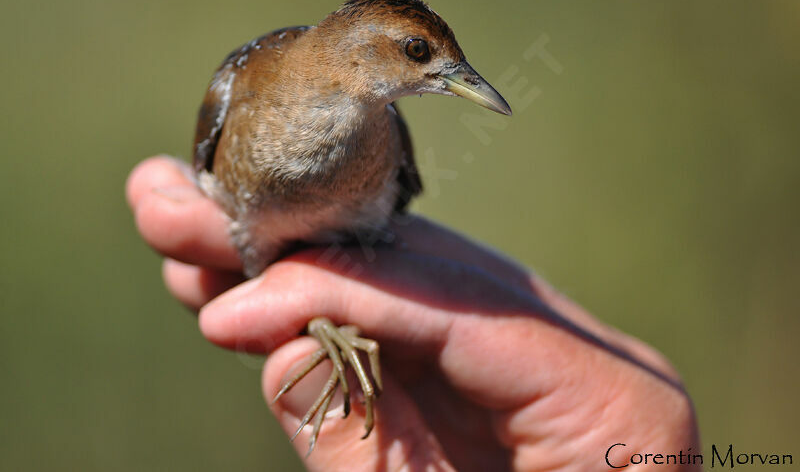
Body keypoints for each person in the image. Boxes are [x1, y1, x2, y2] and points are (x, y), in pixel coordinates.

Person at [126, 156, 700, 472]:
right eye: (420, 55)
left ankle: (328, 323)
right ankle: (325, 325)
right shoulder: (258, 97)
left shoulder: (383, 136)